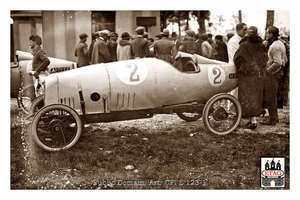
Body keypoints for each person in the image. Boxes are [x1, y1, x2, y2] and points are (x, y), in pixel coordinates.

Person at [233, 26, 268, 129]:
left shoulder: (243, 45)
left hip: (246, 76)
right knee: (256, 97)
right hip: (258, 75)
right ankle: (254, 120)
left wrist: (242, 69)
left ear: (247, 34)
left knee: (246, 97)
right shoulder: (261, 46)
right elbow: (265, 59)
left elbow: (237, 59)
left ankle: (249, 119)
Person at [260, 26, 288, 126]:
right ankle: (273, 117)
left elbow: (278, 63)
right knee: (271, 96)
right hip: (277, 73)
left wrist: (268, 71)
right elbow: (284, 60)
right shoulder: (279, 43)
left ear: (271, 34)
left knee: (270, 97)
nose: (266, 35)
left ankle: (273, 119)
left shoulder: (275, 46)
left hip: (273, 74)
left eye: (267, 33)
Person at [227, 23, 248, 99]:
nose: (246, 32)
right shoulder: (232, 41)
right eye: (244, 30)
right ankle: (231, 110)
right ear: (238, 30)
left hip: (243, 68)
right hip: (235, 68)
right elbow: (234, 57)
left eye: (247, 30)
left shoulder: (245, 40)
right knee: (234, 91)